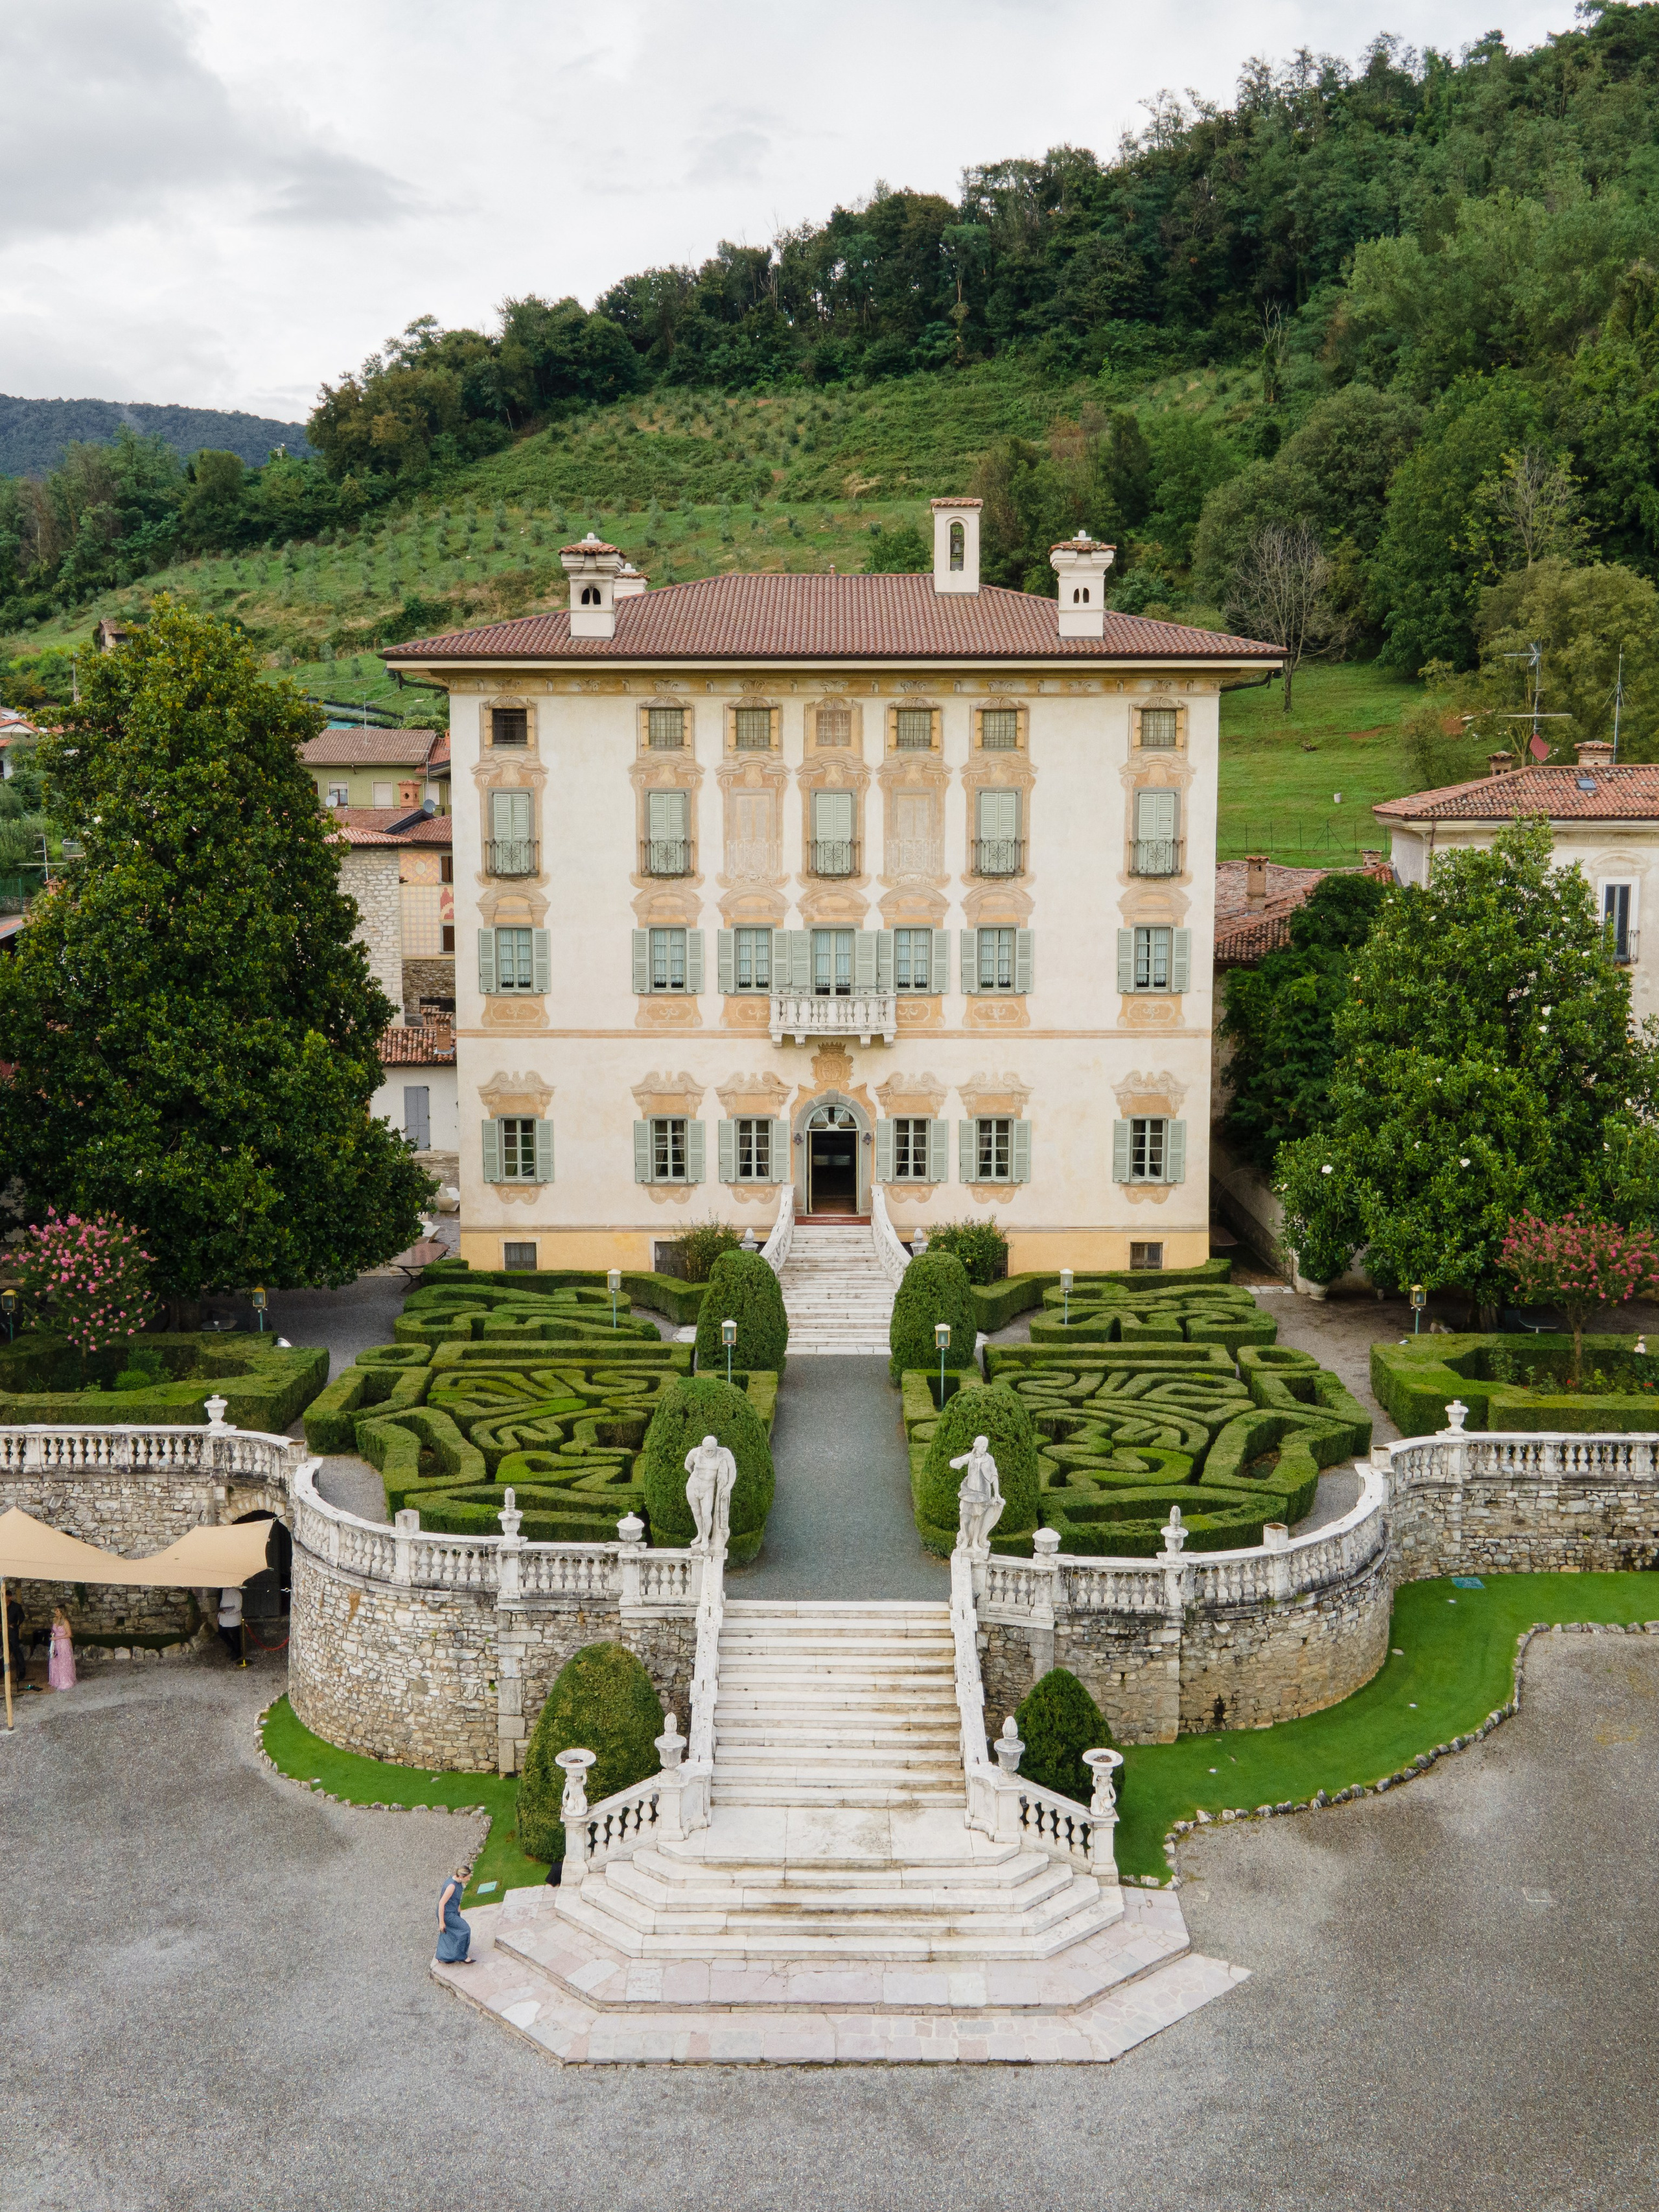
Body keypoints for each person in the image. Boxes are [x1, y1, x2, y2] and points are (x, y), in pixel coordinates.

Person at [435, 1867, 474, 1964]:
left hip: (452, 1911)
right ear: (461, 1877)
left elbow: (455, 1899)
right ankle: (462, 1956)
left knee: (449, 1933)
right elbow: (441, 1904)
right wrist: (442, 1922)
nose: (469, 1879)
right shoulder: (452, 1886)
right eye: (468, 1877)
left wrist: (458, 1911)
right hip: (447, 1914)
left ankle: (445, 1956)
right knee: (465, 1930)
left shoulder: (457, 1882)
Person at [47, 1607, 75, 1691]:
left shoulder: (65, 1622)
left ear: (62, 1612)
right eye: (55, 1611)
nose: (55, 1612)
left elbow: (69, 1634)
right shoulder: (55, 1620)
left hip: (63, 1643)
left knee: (63, 1661)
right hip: (56, 1643)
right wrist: (53, 1634)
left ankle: (65, 1680)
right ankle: (57, 1680)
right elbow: (54, 1630)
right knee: (55, 1660)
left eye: (57, 1611)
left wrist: (57, 1638)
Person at [216, 1587, 244, 1665]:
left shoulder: (236, 1592)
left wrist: (228, 1612)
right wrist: (219, 1615)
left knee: (235, 1636)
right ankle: (232, 1647)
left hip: (234, 1618)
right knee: (221, 1633)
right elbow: (222, 1604)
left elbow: (238, 1607)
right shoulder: (224, 1591)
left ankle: (238, 1653)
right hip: (224, 1618)